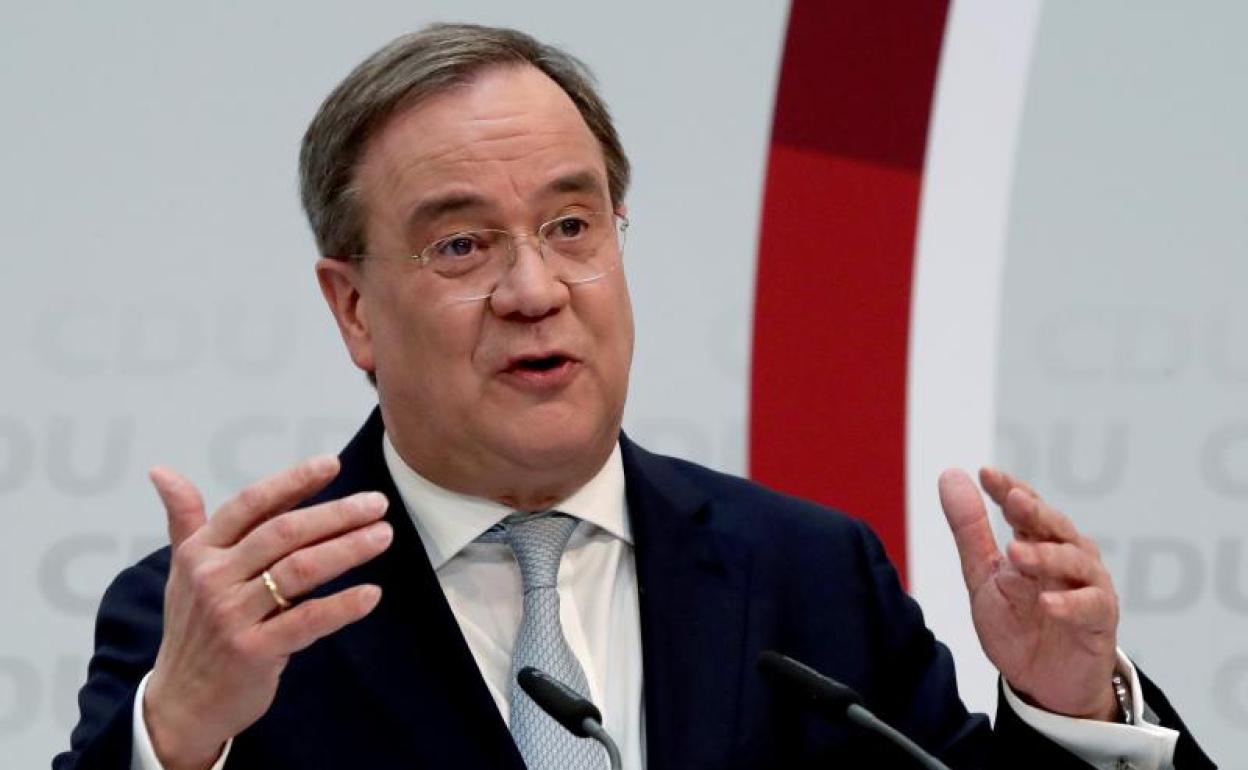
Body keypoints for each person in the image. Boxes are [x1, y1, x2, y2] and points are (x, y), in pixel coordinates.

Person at [55, 23, 1214, 770]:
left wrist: (1072, 705)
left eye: (572, 226)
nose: (534, 290)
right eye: (462, 245)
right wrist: (180, 731)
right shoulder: (222, 622)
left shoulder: (809, 577)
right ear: (354, 306)